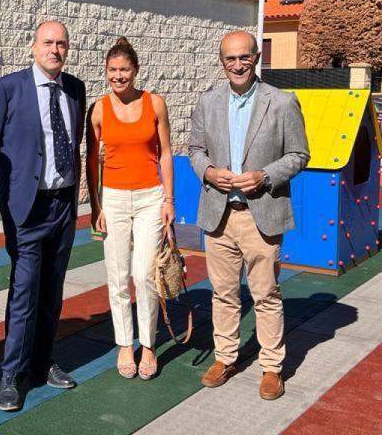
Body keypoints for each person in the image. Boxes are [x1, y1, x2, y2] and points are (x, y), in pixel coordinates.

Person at [188, 30, 309, 401]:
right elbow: (194, 150)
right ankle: (226, 357)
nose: (238, 65)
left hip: (262, 214)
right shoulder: (207, 103)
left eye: (244, 57)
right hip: (219, 214)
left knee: (266, 294)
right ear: (221, 62)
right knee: (223, 294)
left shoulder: (282, 102)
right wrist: (208, 172)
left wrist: (265, 176)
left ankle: (272, 367)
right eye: (230, 59)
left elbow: (300, 155)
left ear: (257, 58)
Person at [0, 20, 87, 411]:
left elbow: (73, 140)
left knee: (52, 289)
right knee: (25, 290)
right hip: (26, 207)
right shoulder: (6, 88)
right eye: (47, 43)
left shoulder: (75, 88)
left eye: (61, 43)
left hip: (63, 204)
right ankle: (12, 373)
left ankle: (43, 362)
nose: (54, 49)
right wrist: (16, 179)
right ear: (33, 47)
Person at [86, 37, 175, 381]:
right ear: (106, 72)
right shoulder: (98, 109)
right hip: (114, 199)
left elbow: (166, 153)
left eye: (124, 70)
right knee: (117, 276)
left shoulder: (155, 104)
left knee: (144, 274)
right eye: (112, 70)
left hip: (151, 196)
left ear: (136, 70)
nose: (118, 76)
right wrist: (96, 206)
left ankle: (149, 344)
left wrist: (170, 199)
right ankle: (125, 344)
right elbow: (92, 160)